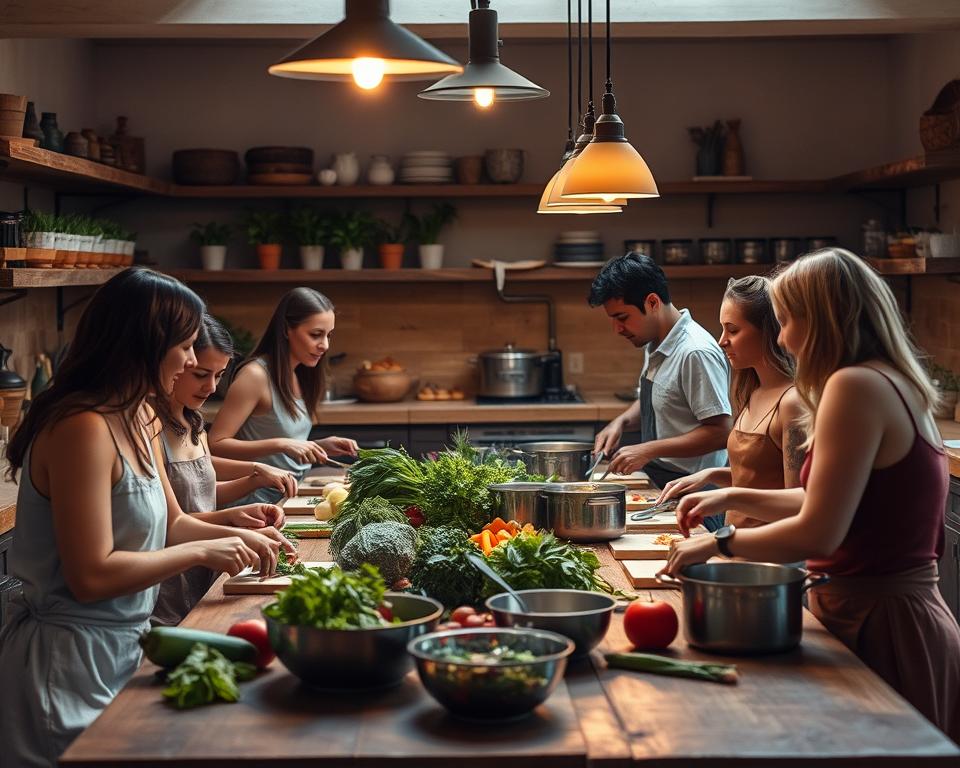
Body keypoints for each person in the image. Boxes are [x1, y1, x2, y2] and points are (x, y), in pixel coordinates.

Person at [0, 268, 294, 768]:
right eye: (183, 347)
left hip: (126, 648)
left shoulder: (141, 417)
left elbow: (174, 522)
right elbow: (91, 576)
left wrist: (240, 533)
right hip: (65, 663)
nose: (189, 360)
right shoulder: (81, 428)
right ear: (144, 345)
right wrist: (205, 550)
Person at [664, 248, 960, 741]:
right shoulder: (887, 378)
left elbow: (820, 531)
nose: (781, 337)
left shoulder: (853, 385)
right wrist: (727, 497)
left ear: (819, 319)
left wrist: (717, 544)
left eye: (784, 321)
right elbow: (824, 500)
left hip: (882, 623)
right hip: (886, 615)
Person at [152, 313, 300, 626]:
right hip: (168, 588)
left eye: (219, 376)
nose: (211, 386)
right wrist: (234, 527)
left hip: (204, 573)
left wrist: (249, 489)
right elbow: (169, 521)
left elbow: (200, 491)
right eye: (202, 374)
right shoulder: (150, 429)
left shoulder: (193, 422)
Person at [589, 253, 733, 524]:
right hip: (663, 480)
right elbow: (658, 396)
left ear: (652, 302)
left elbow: (720, 432)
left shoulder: (695, 352)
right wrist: (620, 422)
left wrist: (648, 449)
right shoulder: (655, 341)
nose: (617, 328)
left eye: (622, 317)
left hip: (695, 491)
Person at [656, 276, 805, 530]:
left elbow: (798, 502)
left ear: (769, 332)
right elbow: (757, 479)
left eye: (733, 330)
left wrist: (724, 496)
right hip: (734, 543)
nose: (721, 340)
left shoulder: (791, 402)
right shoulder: (751, 391)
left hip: (769, 554)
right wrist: (710, 476)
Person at [209, 287, 358, 504]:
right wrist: (282, 443)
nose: (324, 345)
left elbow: (280, 443)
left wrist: (319, 446)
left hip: (289, 496)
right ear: (287, 329)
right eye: (316, 334)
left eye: (328, 335)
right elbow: (215, 444)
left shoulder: (299, 374)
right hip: (255, 502)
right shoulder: (255, 376)